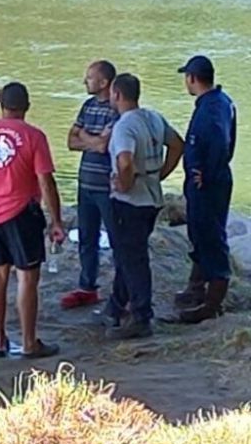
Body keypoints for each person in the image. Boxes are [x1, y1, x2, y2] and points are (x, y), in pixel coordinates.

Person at [0, 82, 66, 359]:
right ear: (27, 107)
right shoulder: (34, 136)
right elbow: (46, 182)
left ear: (2, 107)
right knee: (27, 278)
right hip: (22, 212)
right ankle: (29, 342)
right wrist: (56, 220)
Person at [104, 73, 184, 339]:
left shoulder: (124, 126)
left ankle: (141, 316)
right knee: (127, 256)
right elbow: (177, 145)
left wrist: (125, 185)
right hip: (152, 197)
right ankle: (115, 307)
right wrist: (159, 173)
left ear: (117, 94)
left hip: (130, 201)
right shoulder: (153, 117)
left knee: (133, 259)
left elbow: (125, 162)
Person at [175, 55, 238, 323]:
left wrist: (207, 174)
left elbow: (220, 142)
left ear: (192, 78)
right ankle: (197, 288)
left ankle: (212, 305)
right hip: (214, 180)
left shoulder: (211, 108)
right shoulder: (221, 102)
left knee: (210, 235)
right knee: (200, 233)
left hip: (209, 185)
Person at [61, 60, 119, 310]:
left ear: (104, 82)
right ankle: (87, 287)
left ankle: (121, 290)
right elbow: (70, 142)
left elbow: (103, 146)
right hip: (85, 182)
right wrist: (91, 140)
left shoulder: (116, 110)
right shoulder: (87, 106)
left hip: (108, 186)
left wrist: (85, 136)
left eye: (90, 78)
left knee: (117, 239)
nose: (85, 81)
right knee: (87, 236)